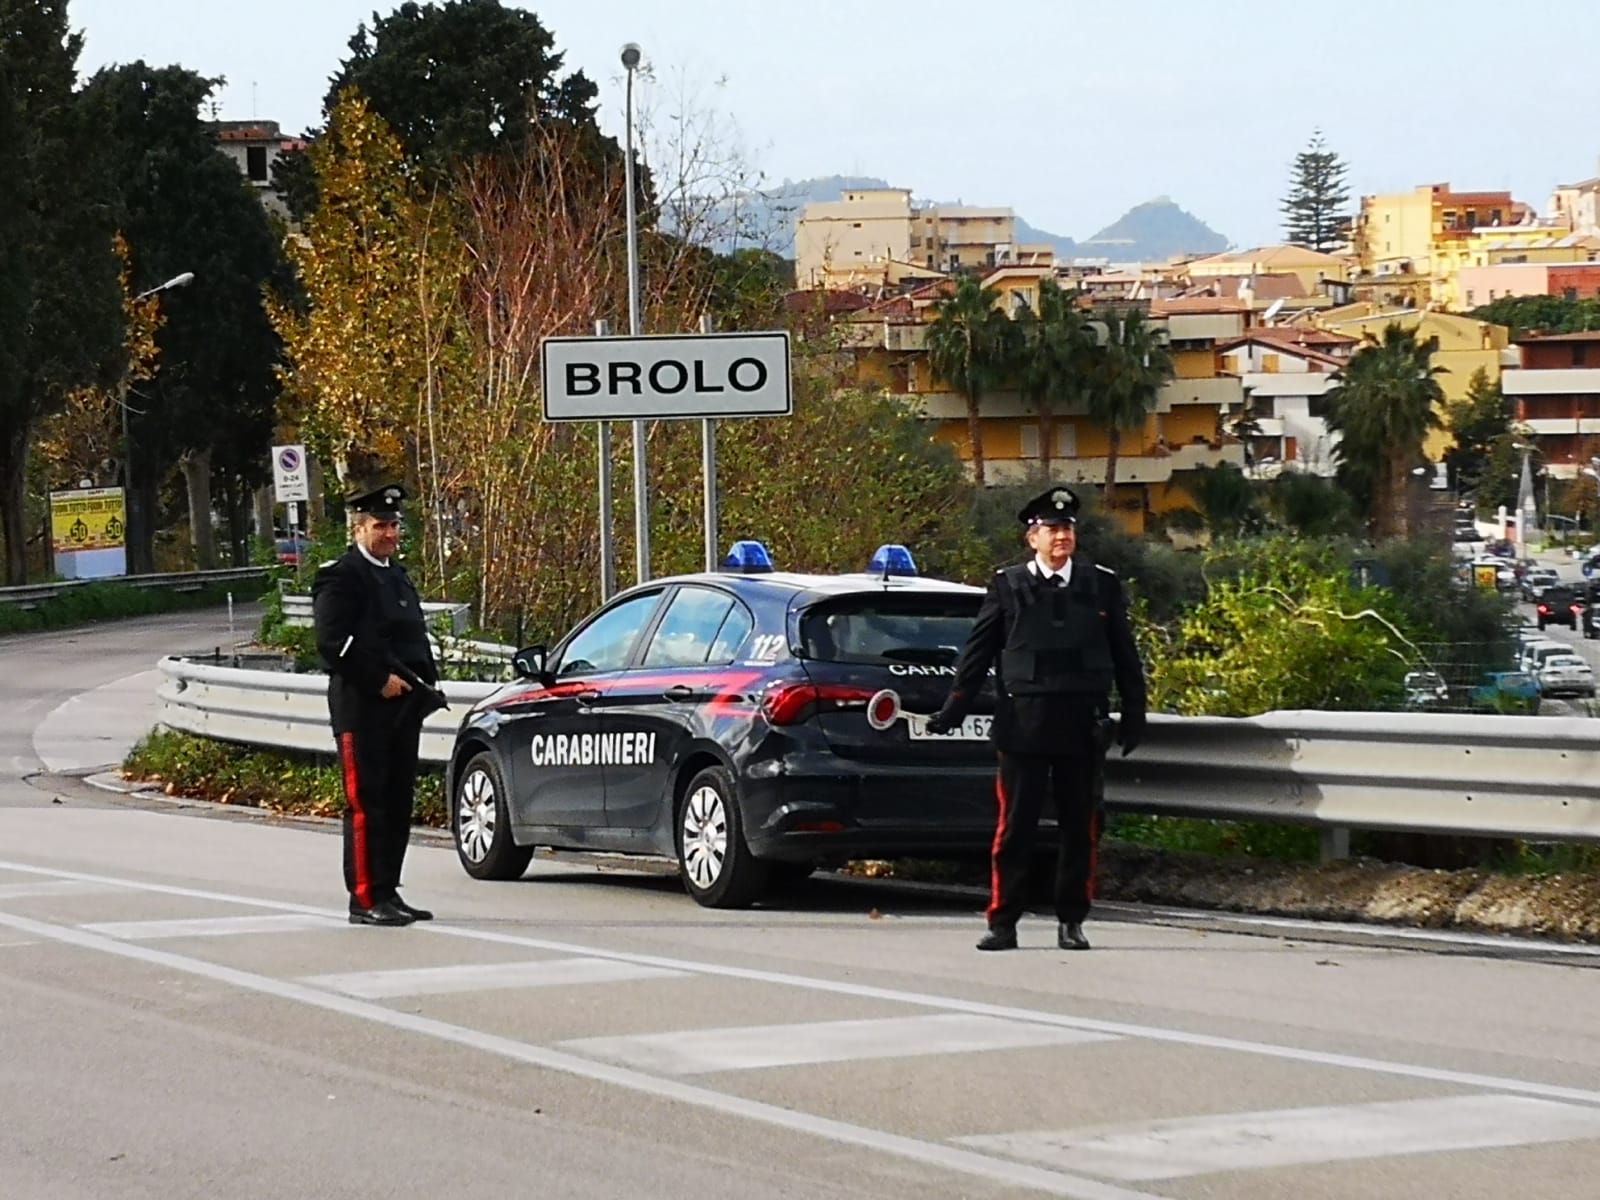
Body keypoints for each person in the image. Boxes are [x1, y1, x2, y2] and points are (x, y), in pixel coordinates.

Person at [927, 485, 1146, 952]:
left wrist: (1134, 712)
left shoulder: (1101, 583)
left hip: (1081, 725)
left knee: (1078, 829)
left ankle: (1072, 921)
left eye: (1067, 528)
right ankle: (1003, 922)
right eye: (1051, 529)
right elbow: (978, 652)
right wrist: (954, 708)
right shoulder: (1007, 585)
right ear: (1033, 538)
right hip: (1024, 726)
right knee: (1015, 830)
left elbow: (1124, 653)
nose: (1061, 536)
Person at [312, 483, 440, 927]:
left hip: (403, 710)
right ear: (359, 528)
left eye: (393, 525)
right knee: (367, 804)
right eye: (380, 526)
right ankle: (364, 898)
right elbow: (332, 642)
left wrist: (426, 685)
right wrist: (377, 679)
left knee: (398, 801)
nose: (389, 533)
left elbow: (411, 639)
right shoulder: (342, 576)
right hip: (362, 709)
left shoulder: (397, 575)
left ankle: (388, 890)